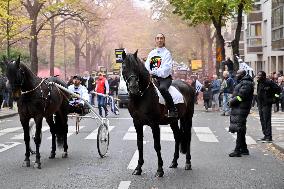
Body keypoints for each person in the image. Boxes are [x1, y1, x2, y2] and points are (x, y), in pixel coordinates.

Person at [145, 33, 178, 117]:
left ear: (164, 40)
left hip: (164, 79)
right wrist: (148, 72)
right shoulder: (151, 53)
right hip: (152, 77)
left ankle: (172, 110)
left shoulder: (167, 53)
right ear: (155, 40)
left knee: (162, 89)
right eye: (158, 38)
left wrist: (153, 72)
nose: (159, 40)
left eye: (161, 38)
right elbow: (147, 66)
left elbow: (166, 70)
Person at [228, 70, 254, 157]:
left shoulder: (246, 83)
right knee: (241, 128)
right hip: (239, 108)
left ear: (242, 74)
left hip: (242, 108)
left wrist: (232, 101)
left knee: (239, 128)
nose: (236, 75)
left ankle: (237, 150)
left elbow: (241, 96)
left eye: (238, 73)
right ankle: (244, 149)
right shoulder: (242, 82)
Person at [257, 71, 281, 142]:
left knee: (267, 120)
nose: (258, 77)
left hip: (266, 104)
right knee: (262, 120)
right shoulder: (259, 82)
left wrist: (274, 99)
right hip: (260, 104)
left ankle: (268, 137)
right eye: (258, 76)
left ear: (263, 76)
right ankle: (265, 135)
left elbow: (278, 89)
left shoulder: (269, 82)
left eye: (259, 76)